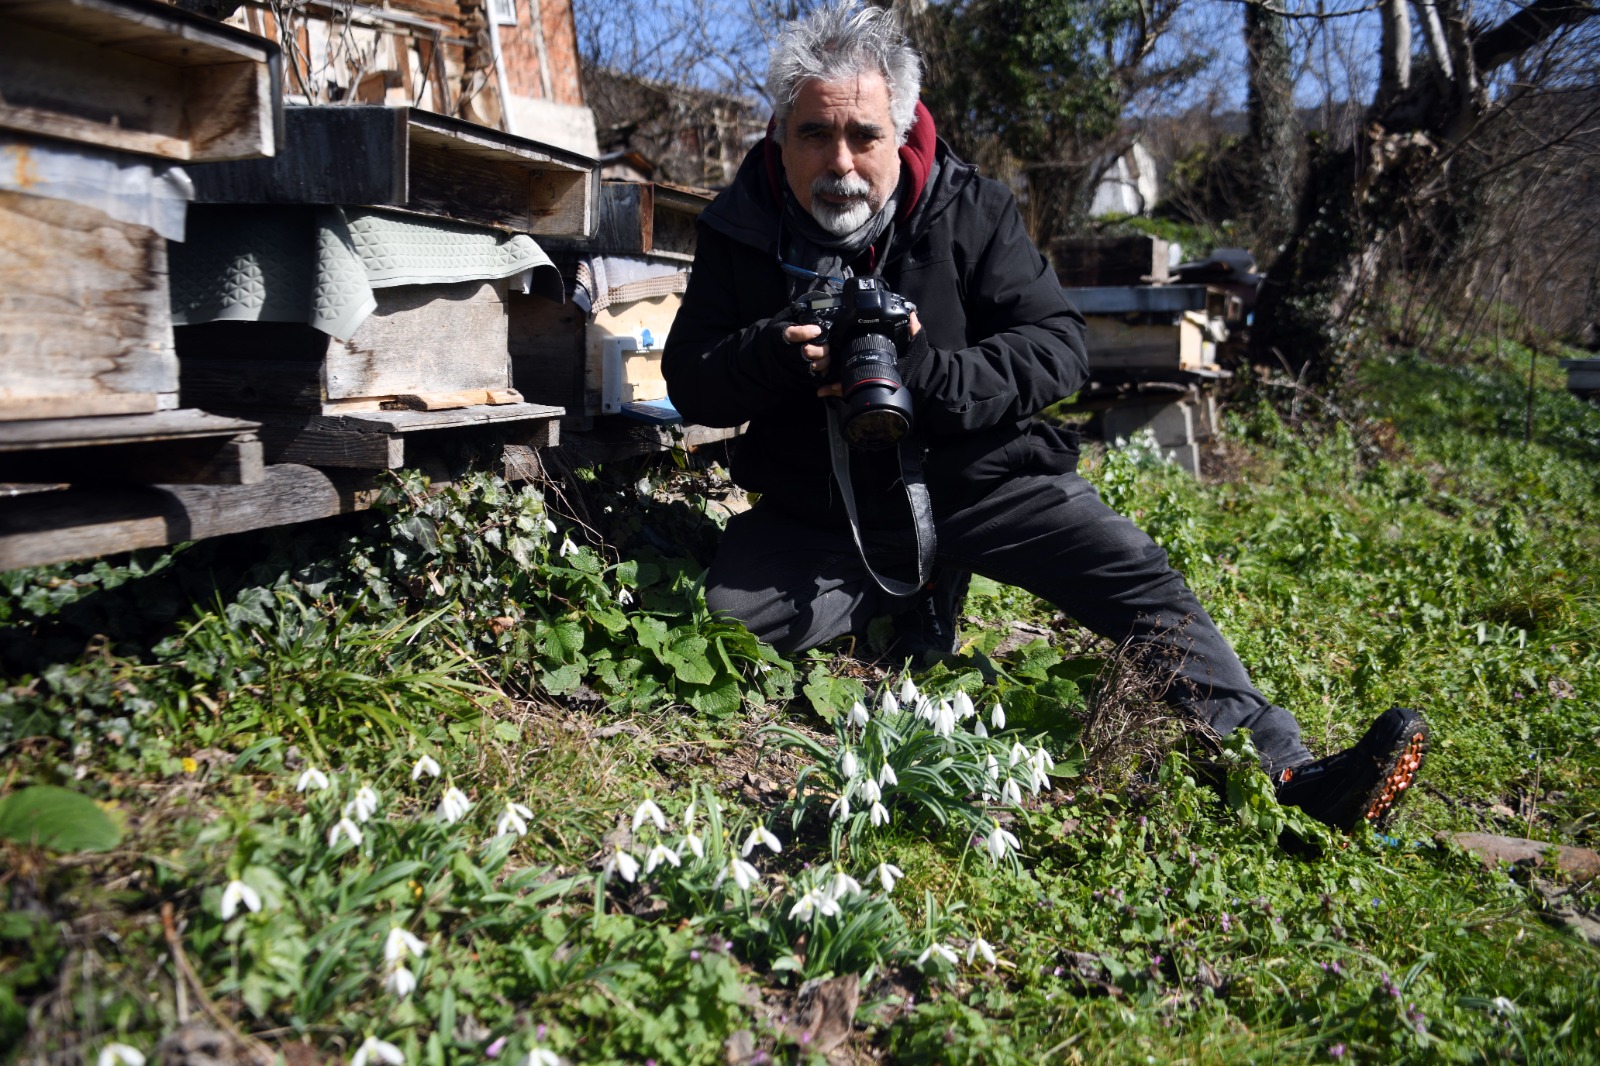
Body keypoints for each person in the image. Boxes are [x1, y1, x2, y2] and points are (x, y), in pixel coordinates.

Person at [662, 1, 1427, 832]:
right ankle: (909, 597)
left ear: (904, 127)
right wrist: (773, 355)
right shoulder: (740, 225)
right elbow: (691, 381)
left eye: (864, 136)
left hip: (985, 476)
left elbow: (1060, 346)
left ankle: (1291, 773)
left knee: (1135, 577)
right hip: (827, 501)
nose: (839, 162)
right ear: (779, 132)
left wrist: (932, 373)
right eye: (814, 134)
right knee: (726, 622)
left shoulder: (969, 208)